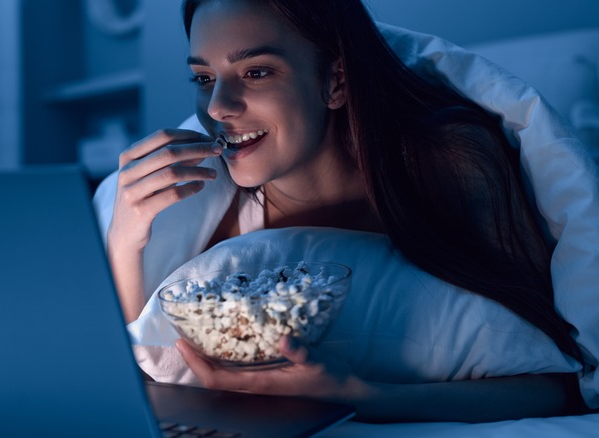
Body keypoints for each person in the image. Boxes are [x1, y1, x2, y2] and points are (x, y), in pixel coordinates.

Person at [103, 0, 588, 422]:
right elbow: (125, 376)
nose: (218, 107)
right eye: (204, 78)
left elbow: (558, 387)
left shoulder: (450, 163)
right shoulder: (206, 208)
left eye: (256, 72)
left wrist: (359, 397)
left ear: (335, 80)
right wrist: (124, 243)